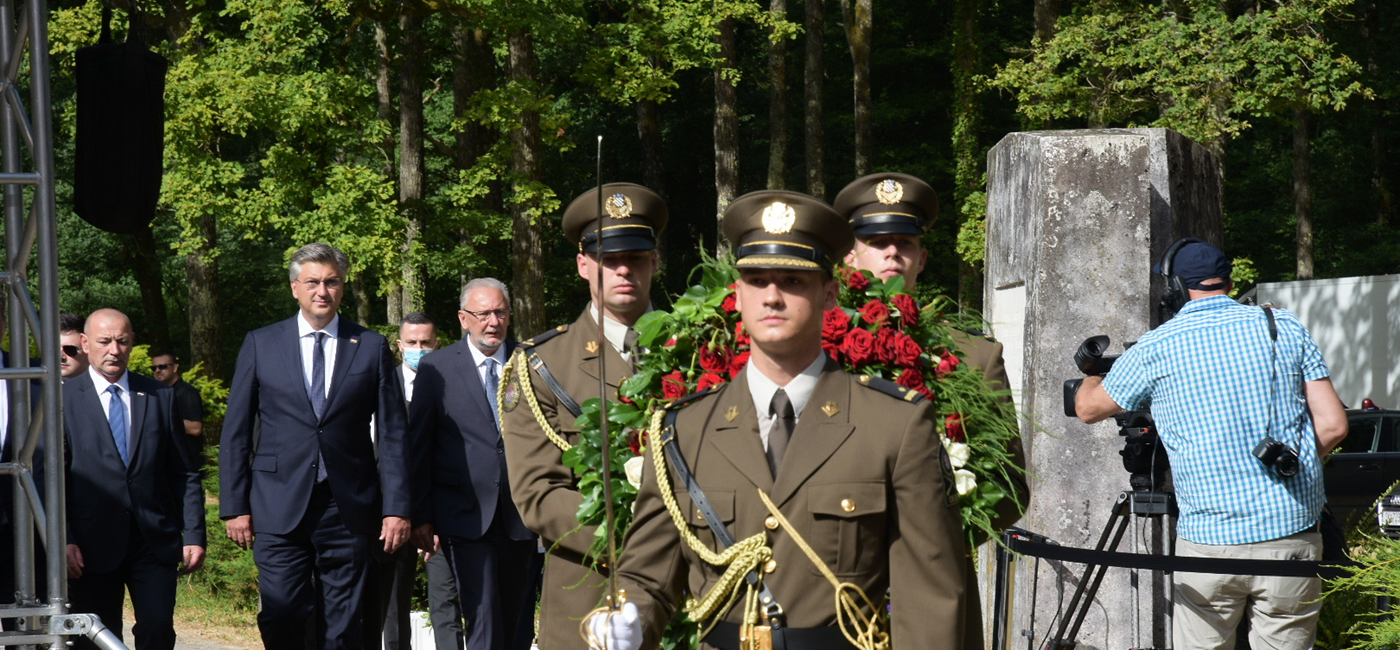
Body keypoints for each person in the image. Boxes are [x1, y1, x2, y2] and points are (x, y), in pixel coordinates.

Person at [593, 190, 969, 649]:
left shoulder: (892, 425)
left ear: (829, 293)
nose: (771, 296)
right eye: (756, 279)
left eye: (793, 280)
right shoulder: (685, 429)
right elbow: (647, 574)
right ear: (738, 293)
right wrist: (627, 618)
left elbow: (930, 593)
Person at [1075, 239, 1348, 650]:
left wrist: (1092, 374)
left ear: (1175, 290)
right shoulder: (1284, 327)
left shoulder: (1156, 346)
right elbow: (1333, 426)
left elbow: (1089, 409)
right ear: (1230, 281)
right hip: (1291, 535)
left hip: (1208, 543)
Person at [499, 182, 667, 650]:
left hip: (691, 597)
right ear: (583, 265)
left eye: (635, 256)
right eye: (609, 259)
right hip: (593, 594)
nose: (622, 269)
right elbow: (537, 493)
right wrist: (642, 539)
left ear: (654, 262)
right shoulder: (541, 365)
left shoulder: (698, 351)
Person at [219, 242, 412, 650]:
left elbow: (394, 435)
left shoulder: (372, 346)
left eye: (331, 282)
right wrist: (234, 505)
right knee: (282, 611)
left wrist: (397, 508)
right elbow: (236, 431)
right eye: (312, 283)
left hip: (348, 506)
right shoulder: (261, 343)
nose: (321, 291)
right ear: (295, 288)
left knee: (344, 623)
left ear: (342, 288)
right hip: (276, 501)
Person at [833, 172, 1027, 531]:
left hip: (932, 570)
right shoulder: (817, 343)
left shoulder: (974, 355)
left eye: (905, 243)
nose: (892, 251)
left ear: (921, 259)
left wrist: (930, 550)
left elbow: (1007, 485)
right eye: (877, 241)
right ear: (848, 257)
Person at [63, 309, 205, 650]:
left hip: (152, 540)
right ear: (85, 343)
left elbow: (183, 471)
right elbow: (52, 477)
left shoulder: (159, 396)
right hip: (89, 545)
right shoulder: (62, 400)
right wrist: (64, 539)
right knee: (96, 637)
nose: (114, 350)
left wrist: (195, 533)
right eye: (105, 341)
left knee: (157, 629)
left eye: (122, 341)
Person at [411, 279, 540, 650]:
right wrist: (420, 514)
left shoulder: (529, 361)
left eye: (500, 312)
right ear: (463, 318)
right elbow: (419, 446)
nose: (493, 322)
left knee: (515, 621)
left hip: (520, 515)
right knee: (482, 613)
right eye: (483, 314)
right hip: (463, 515)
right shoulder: (437, 368)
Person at [366, 312, 464, 650]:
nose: (419, 349)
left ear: (438, 344)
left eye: (425, 343)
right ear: (398, 345)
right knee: (390, 608)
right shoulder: (379, 387)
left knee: (446, 604)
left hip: (438, 516)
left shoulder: (454, 388)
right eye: (411, 343)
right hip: (387, 515)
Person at [150, 350, 205, 467]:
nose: (157, 371)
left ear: (175, 368)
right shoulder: (159, 393)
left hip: (187, 463)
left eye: (162, 367)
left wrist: (163, 420)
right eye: (154, 368)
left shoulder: (187, 393)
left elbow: (195, 428)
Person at [60, 312, 89, 382]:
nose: (61, 357)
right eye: (54, 349)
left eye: (69, 350)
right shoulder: (32, 388)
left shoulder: (104, 389)